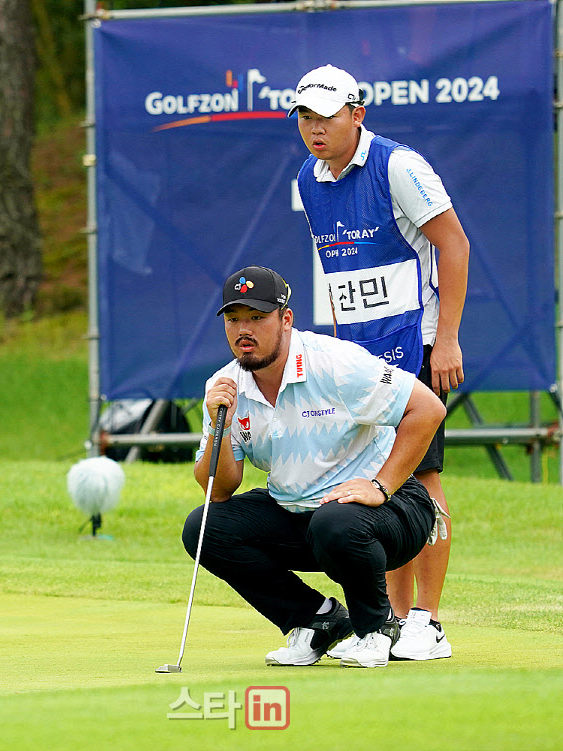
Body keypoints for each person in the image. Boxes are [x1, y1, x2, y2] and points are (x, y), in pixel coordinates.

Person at [289, 65, 469, 660]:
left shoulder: (399, 166)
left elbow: (454, 245)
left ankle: (429, 620)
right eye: (305, 118)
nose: (314, 129)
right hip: (358, 359)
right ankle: (392, 617)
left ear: (357, 113)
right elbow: (341, 278)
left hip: (415, 343)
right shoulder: (309, 180)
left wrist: (446, 340)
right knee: (376, 480)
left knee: (422, 476)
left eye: (326, 116)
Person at [182, 265, 447, 668]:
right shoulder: (224, 387)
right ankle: (316, 620)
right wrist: (222, 425)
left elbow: (428, 408)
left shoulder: (334, 363)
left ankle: (378, 628)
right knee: (204, 527)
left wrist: (381, 485)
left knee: (334, 522)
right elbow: (219, 490)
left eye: (257, 317)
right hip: (303, 513)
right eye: (234, 320)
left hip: (392, 510)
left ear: (285, 320)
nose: (243, 330)